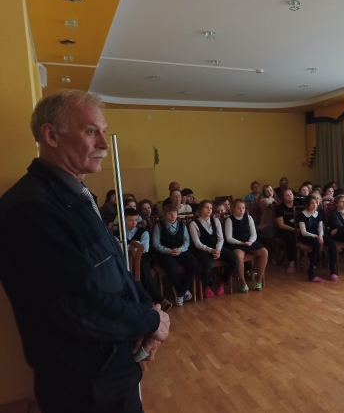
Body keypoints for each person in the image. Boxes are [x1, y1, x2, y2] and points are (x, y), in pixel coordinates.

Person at [0, 89, 170, 413]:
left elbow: (114, 268)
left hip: (112, 367)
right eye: (92, 131)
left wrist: (148, 308)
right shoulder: (30, 210)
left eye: (103, 131)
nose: (104, 144)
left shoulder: (77, 195)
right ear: (51, 135)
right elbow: (77, 306)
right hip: (83, 384)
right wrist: (150, 320)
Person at [123, 208, 172, 311]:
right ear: (124, 220)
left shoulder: (143, 231)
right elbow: (119, 248)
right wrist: (134, 246)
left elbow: (144, 248)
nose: (134, 223)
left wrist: (129, 247)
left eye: (136, 220)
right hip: (124, 258)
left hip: (143, 257)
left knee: (142, 269)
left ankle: (157, 300)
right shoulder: (118, 233)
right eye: (130, 220)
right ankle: (149, 301)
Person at [189, 200, 238, 298]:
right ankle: (206, 287)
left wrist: (218, 249)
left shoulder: (215, 221)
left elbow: (220, 238)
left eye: (211, 208)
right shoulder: (193, 224)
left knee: (234, 262)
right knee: (207, 266)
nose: (209, 210)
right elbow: (197, 243)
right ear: (200, 209)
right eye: (206, 207)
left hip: (217, 247)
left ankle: (221, 281)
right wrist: (210, 250)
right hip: (203, 250)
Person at [152, 204, 198, 306]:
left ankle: (180, 290)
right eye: (170, 213)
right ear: (165, 215)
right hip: (165, 253)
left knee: (193, 264)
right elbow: (156, 244)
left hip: (180, 250)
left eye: (175, 212)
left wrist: (180, 249)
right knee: (172, 268)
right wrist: (168, 251)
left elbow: (187, 241)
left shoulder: (182, 225)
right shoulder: (159, 226)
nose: (173, 215)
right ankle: (182, 291)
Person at [224, 199, 268, 293]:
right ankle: (242, 282)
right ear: (233, 209)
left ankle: (258, 279)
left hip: (249, 242)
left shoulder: (248, 218)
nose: (241, 210)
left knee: (264, 252)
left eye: (243, 208)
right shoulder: (229, 220)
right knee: (239, 256)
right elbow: (228, 238)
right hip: (237, 243)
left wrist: (250, 241)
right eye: (239, 208)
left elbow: (254, 234)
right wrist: (240, 243)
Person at [297, 195, 338, 283]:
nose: (315, 205)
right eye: (312, 203)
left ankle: (332, 271)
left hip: (317, 234)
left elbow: (320, 227)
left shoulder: (318, 213)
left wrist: (321, 236)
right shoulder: (302, 214)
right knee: (316, 245)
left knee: (331, 243)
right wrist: (317, 237)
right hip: (307, 236)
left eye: (316, 203)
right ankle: (311, 273)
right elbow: (303, 232)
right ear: (307, 204)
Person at [275, 188, 297, 272]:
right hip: (285, 229)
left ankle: (303, 258)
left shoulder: (298, 205)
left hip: (297, 228)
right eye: (287, 195)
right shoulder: (280, 208)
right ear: (283, 198)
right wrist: (294, 230)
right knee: (290, 239)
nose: (289, 196)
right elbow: (281, 225)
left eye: (291, 194)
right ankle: (291, 262)